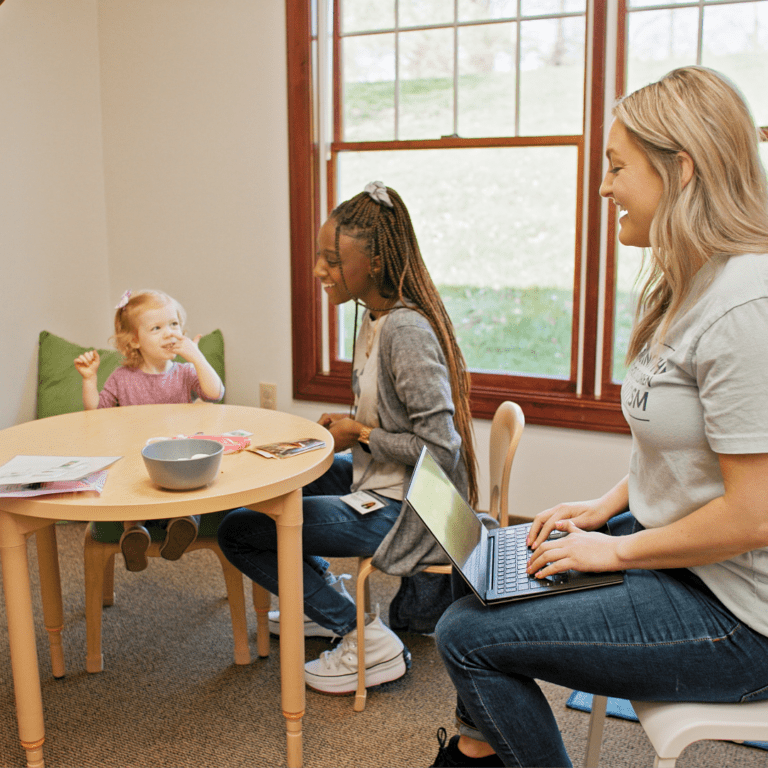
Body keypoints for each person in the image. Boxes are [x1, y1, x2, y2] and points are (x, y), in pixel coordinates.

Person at [430, 65, 768, 767]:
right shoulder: (692, 282)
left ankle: (472, 757)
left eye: (617, 167)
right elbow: (681, 449)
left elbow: (754, 515)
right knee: (490, 561)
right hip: (682, 557)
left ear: (682, 170)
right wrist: (604, 507)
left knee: (465, 635)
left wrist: (613, 549)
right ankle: (471, 750)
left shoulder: (744, 306)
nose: (604, 187)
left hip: (737, 619)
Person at [218, 181, 478, 694]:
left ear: (374, 264)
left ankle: (363, 635)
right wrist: (355, 426)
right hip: (381, 479)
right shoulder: (375, 316)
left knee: (239, 532)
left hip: (408, 506)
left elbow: (442, 449)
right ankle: (323, 597)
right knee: (284, 480)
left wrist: (359, 431)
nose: (319, 271)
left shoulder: (405, 330)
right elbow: (397, 421)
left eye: (332, 261)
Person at [74, 289, 224, 572]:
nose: (169, 334)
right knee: (130, 484)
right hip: (138, 460)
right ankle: (134, 533)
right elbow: (97, 413)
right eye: (156, 328)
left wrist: (197, 358)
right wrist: (89, 379)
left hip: (178, 460)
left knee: (188, 485)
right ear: (134, 340)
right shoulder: (122, 377)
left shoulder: (183, 372)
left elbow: (214, 393)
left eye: (174, 325)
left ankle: (183, 525)